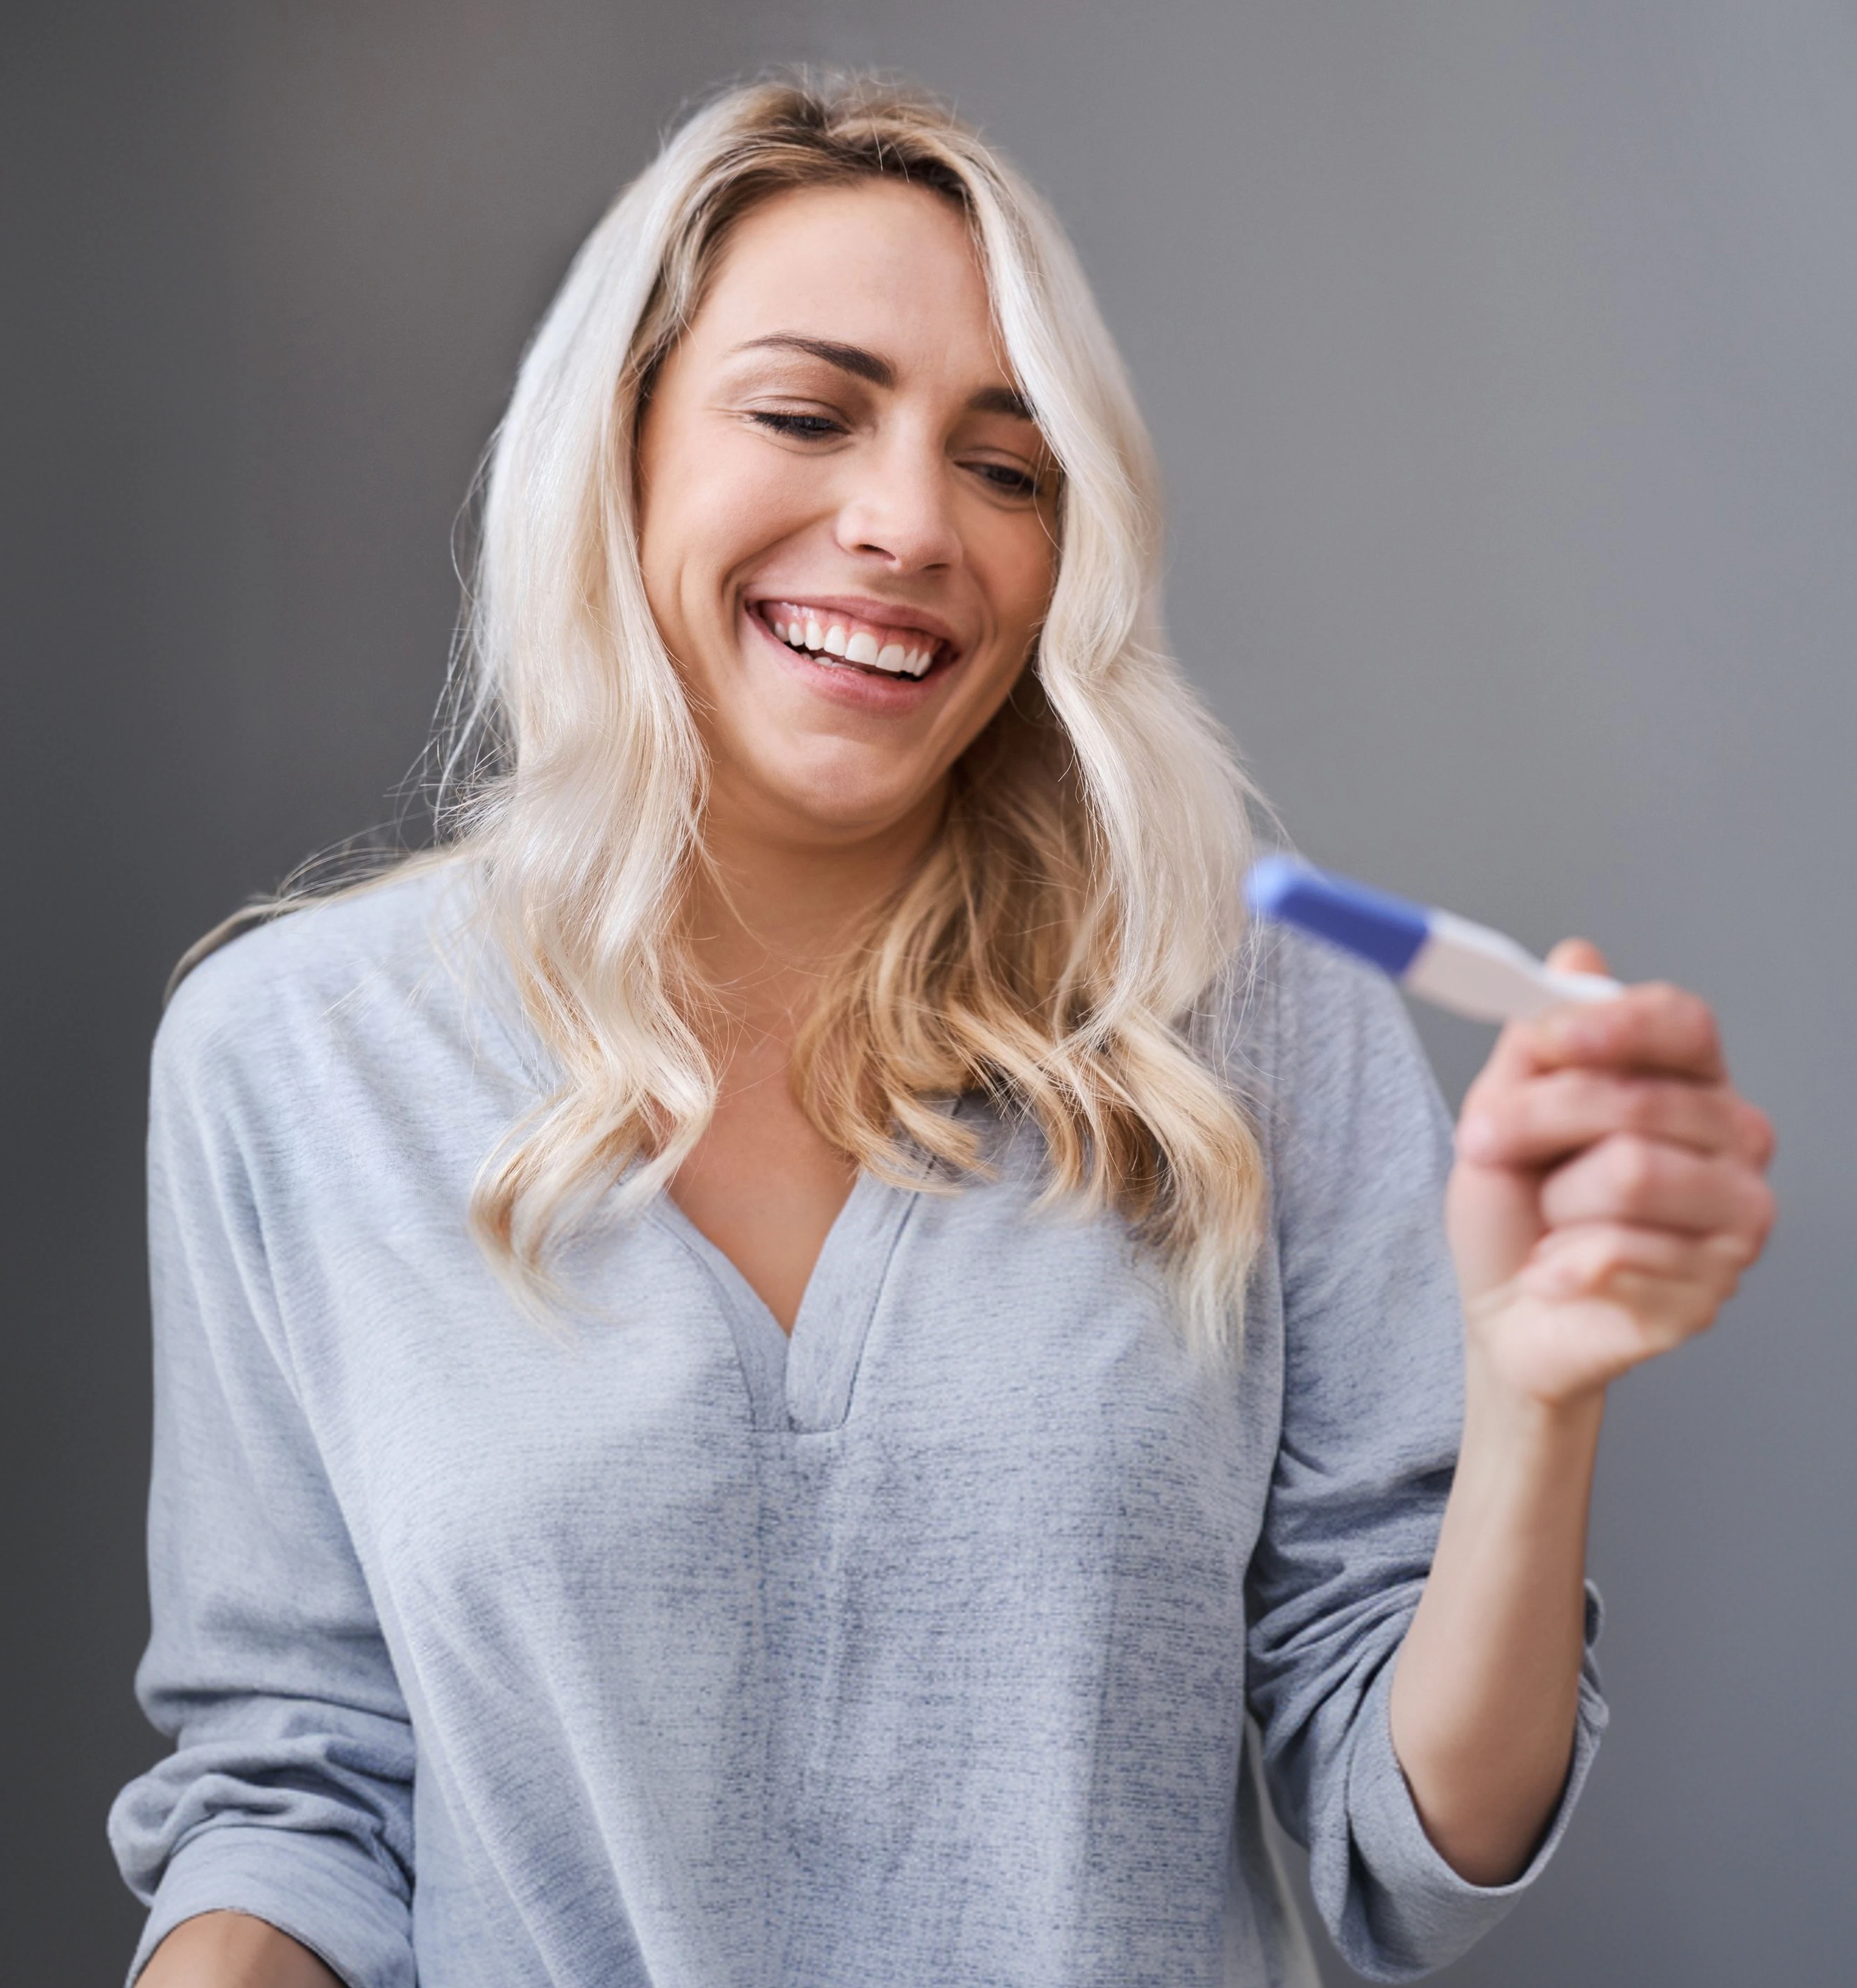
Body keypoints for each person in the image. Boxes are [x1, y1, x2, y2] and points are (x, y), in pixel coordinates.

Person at [110, 74, 1775, 1988]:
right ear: (622, 442)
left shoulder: (1261, 1031)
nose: (909, 526)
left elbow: (1421, 1853)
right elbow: (293, 1796)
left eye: (1008, 466)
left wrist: (1536, 1395)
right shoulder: (288, 1056)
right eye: (809, 414)